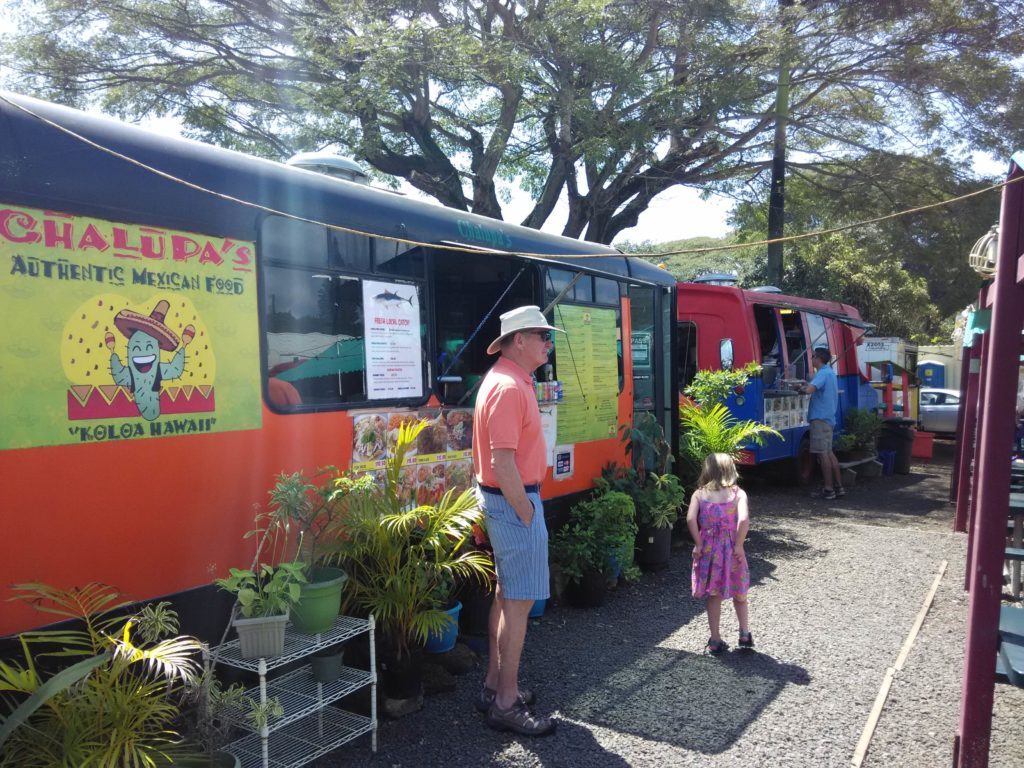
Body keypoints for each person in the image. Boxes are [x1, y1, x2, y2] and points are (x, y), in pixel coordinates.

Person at [472, 305, 561, 737]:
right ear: (519, 340)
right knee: (519, 605)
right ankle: (505, 702)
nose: (549, 343)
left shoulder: (505, 380)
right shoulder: (510, 387)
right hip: (513, 502)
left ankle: (494, 686)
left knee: (508, 597)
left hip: (504, 501)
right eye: (544, 336)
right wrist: (527, 512)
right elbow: (502, 463)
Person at [686, 452, 752, 654]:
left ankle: (715, 639)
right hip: (732, 549)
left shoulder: (699, 494)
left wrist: (698, 543)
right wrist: (739, 544)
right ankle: (744, 633)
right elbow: (743, 520)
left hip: (709, 550)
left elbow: (690, 519)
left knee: (714, 595)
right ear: (731, 470)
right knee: (740, 593)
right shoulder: (737, 493)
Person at [801, 347, 844, 499]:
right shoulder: (830, 373)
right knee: (830, 453)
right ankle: (838, 487)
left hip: (820, 418)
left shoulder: (822, 373)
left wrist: (800, 387)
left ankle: (828, 489)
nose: (811, 359)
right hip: (829, 418)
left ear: (818, 358)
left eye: (813, 356)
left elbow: (810, 390)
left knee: (822, 454)